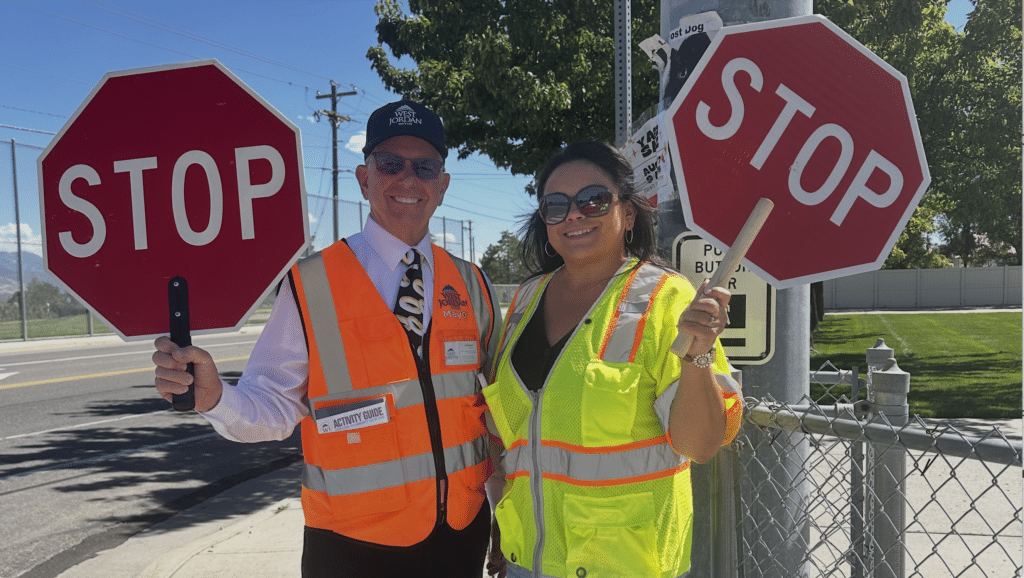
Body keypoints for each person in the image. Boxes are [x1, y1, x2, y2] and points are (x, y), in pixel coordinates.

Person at [153, 99, 502, 578]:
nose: (408, 179)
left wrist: (507, 519)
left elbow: (500, 417)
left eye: (424, 166)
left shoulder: (472, 284)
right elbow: (273, 405)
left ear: (441, 185)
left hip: (460, 536)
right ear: (364, 179)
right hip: (351, 549)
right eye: (390, 164)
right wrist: (216, 398)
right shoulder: (310, 284)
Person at [482, 141, 743, 578]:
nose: (575, 215)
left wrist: (697, 357)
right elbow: (514, 441)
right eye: (556, 205)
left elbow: (699, 446)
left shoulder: (667, 298)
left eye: (594, 200)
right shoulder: (527, 299)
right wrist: (499, 527)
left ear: (628, 214)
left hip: (625, 566)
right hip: (526, 559)